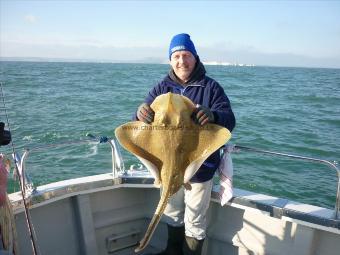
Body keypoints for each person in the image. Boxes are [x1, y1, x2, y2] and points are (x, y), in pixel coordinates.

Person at [135, 33, 236, 255]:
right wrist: (139, 112)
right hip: (167, 168)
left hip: (199, 167)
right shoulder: (161, 88)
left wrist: (214, 115)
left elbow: (229, 120)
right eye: (177, 56)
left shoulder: (211, 88)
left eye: (186, 55)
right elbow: (140, 121)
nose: (182, 61)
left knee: (195, 218)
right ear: (170, 60)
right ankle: (172, 251)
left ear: (195, 57)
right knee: (171, 212)